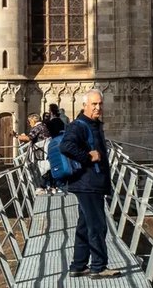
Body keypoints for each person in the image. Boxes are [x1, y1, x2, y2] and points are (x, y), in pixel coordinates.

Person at [58, 89, 119, 278]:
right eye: (94, 104)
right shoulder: (79, 125)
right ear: (85, 105)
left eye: (100, 104)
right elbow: (65, 146)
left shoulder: (93, 124)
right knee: (97, 225)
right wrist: (86, 157)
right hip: (88, 183)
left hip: (90, 183)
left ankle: (78, 265)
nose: (98, 107)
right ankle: (98, 267)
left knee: (85, 225)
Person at [17, 113, 52, 195]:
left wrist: (17, 136)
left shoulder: (37, 127)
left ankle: (42, 187)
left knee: (42, 169)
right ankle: (49, 186)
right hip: (46, 150)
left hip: (40, 151)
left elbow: (29, 138)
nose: (29, 123)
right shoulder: (44, 126)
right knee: (46, 168)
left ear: (33, 120)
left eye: (29, 121)